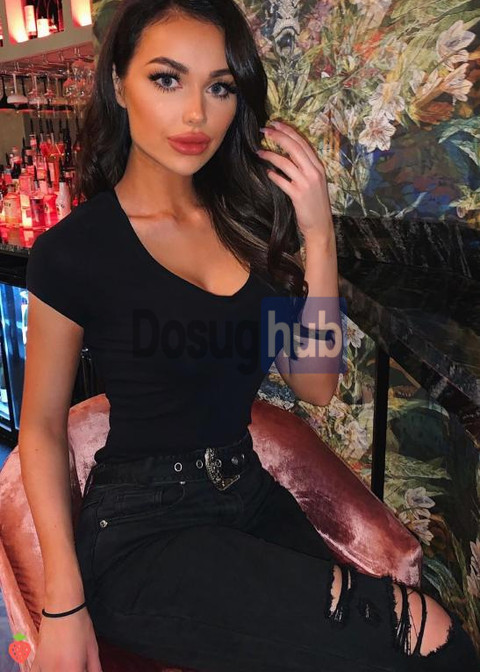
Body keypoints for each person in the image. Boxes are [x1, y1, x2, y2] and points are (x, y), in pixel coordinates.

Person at [19, 0, 479, 670]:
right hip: (142, 533)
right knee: (430, 635)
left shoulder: (247, 225)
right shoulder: (73, 252)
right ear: (118, 84)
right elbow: (40, 426)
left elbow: (314, 384)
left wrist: (318, 235)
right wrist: (62, 604)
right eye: (167, 79)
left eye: (220, 87)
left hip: (250, 494)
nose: (196, 114)